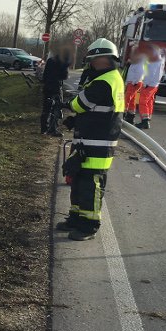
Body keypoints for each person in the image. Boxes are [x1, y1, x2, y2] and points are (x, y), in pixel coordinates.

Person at [57, 37, 125, 241]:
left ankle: (89, 226)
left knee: (91, 185)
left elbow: (82, 103)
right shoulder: (104, 77)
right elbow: (95, 111)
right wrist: (75, 122)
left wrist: (70, 104)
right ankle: (76, 218)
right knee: (78, 180)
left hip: (98, 144)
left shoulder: (106, 81)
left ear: (106, 59)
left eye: (95, 60)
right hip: (88, 139)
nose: (92, 64)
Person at [40, 48, 69, 135]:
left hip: (47, 87)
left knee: (46, 108)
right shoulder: (63, 62)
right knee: (56, 108)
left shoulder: (50, 60)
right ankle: (52, 129)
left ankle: (43, 128)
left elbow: (44, 75)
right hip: (56, 88)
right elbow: (64, 76)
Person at [137, 46, 165, 129]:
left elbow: (150, 74)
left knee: (143, 101)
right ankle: (148, 118)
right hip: (154, 85)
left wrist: (145, 83)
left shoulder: (154, 61)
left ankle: (145, 121)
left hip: (149, 84)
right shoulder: (160, 61)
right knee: (149, 101)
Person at [123, 49, 147, 124]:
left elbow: (140, 72)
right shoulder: (136, 62)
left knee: (127, 98)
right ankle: (131, 116)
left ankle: (122, 114)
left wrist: (134, 82)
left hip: (134, 83)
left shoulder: (139, 62)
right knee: (132, 100)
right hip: (134, 82)